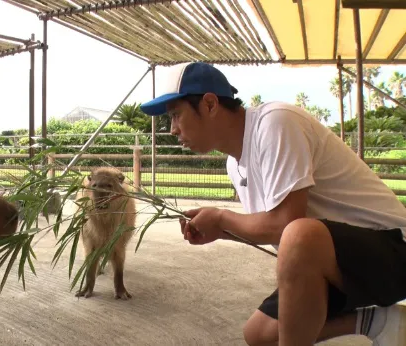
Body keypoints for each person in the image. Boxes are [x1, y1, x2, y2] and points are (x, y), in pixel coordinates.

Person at [139, 61, 406, 346]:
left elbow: (287, 225)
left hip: (392, 253)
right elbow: (273, 227)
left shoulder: (276, 123)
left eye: (176, 115)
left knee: (299, 234)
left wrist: (222, 218)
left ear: (209, 104)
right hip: (339, 264)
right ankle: (382, 323)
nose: (172, 129)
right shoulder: (234, 163)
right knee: (259, 334)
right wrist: (220, 229)